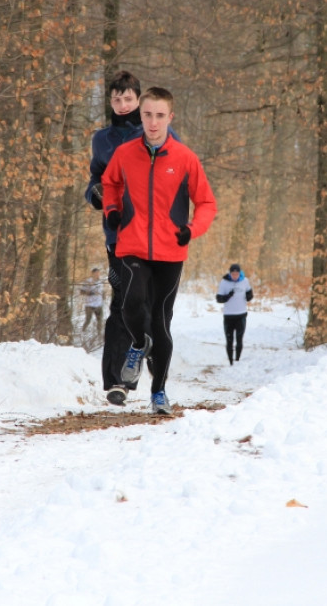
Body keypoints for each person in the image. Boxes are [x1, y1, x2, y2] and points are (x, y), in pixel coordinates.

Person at [101, 87, 217, 414]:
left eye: (160, 115)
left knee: (161, 324)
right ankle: (139, 344)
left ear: (170, 117)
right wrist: (112, 210)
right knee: (131, 303)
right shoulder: (124, 154)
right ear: (141, 115)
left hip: (170, 252)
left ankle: (159, 393)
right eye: (148, 115)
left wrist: (192, 230)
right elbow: (110, 184)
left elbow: (207, 203)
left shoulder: (185, 159)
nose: (153, 122)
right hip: (133, 245)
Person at [85, 71, 178, 397]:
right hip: (119, 235)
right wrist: (96, 195)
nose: (122, 105)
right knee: (123, 301)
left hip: (158, 235)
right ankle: (117, 381)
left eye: (128, 99)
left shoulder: (159, 132)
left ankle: (151, 350)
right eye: (116, 99)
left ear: (138, 100)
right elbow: (94, 181)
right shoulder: (102, 140)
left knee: (151, 304)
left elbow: (179, 175)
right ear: (109, 101)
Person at [216, 263, 253, 365]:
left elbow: (250, 293)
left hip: (241, 314)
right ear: (230, 273)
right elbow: (219, 299)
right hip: (229, 315)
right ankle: (230, 361)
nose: (235, 275)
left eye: (237, 273)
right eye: (233, 274)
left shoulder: (245, 281)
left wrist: (249, 296)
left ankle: (237, 359)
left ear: (240, 273)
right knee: (229, 340)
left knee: (239, 339)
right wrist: (228, 296)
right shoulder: (224, 282)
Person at [80, 267, 104, 333]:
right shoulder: (87, 281)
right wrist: (91, 292)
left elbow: (101, 292)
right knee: (88, 320)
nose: (98, 274)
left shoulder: (100, 282)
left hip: (98, 304)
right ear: (92, 273)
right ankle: (83, 331)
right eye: (96, 273)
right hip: (89, 304)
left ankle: (99, 334)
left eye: (99, 273)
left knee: (99, 320)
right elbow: (82, 292)